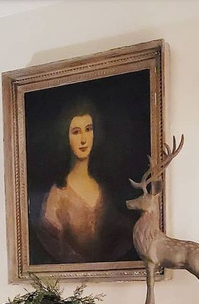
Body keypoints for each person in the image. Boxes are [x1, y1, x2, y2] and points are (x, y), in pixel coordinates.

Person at [35, 100, 135, 264]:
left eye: (88, 129)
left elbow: (125, 233)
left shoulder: (104, 188)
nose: (83, 139)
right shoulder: (58, 195)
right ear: (65, 137)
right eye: (76, 132)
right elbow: (55, 245)